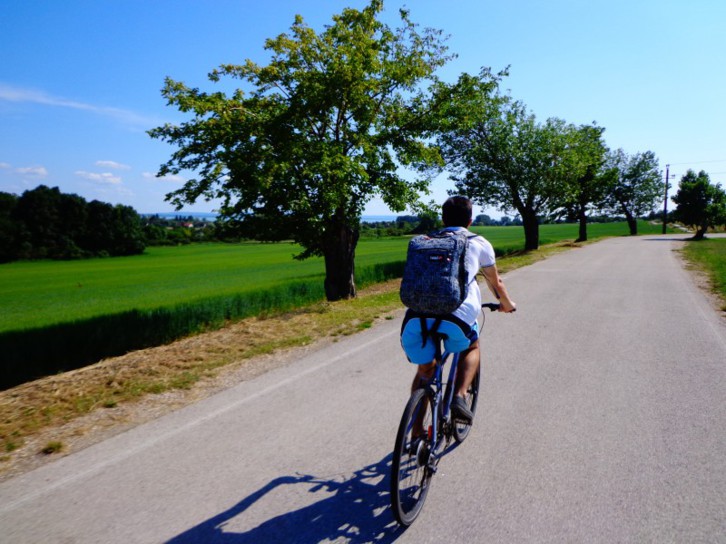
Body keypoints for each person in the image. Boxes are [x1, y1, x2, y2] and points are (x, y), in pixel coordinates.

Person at [400, 196, 516, 424]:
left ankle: (414, 434)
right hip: (456, 318)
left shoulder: (424, 240)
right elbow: (496, 283)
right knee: (471, 346)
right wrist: (507, 304)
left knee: (425, 372)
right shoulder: (478, 242)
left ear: (443, 219)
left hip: (416, 318)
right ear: (470, 221)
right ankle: (460, 395)